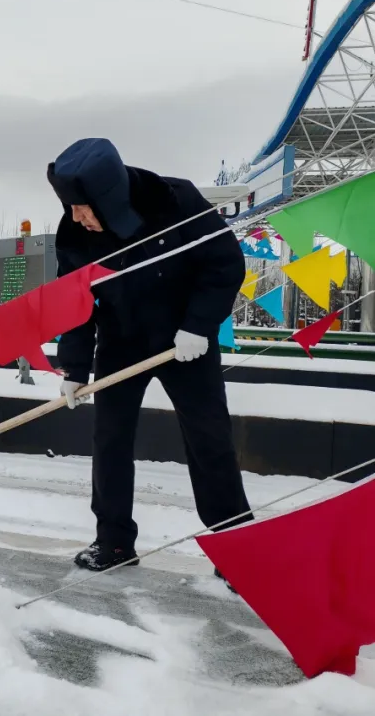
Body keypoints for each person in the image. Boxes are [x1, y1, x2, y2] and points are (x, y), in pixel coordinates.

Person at [47, 138, 253, 574]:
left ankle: (237, 542)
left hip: (186, 341)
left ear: (107, 197)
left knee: (209, 438)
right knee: (110, 439)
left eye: (82, 207)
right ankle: (115, 542)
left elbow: (225, 263)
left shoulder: (175, 202)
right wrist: (76, 366)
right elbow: (74, 302)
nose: (75, 217)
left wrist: (199, 325)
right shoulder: (75, 236)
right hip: (122, 341)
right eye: (69, 207)